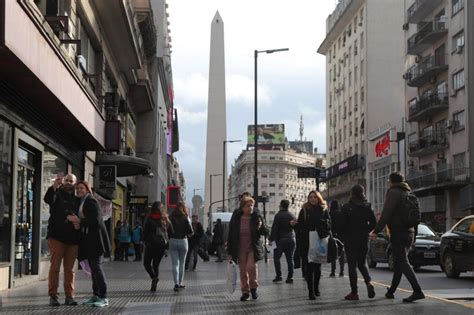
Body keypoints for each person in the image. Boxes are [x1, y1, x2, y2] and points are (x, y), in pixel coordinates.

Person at [370, 172, 425, 303]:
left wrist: (376, 230)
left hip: (399, 232)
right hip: (409, 233)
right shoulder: (408, 193)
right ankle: (391, 291)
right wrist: (414, 236)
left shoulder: (394, 192)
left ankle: (417, 291)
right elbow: (416, 218)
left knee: (402, 262)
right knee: (399, 262)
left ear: (391, 181)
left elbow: (387, 213)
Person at [72, 181, 111, 307]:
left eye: (81, 188)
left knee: (97, 268)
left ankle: (104, 297)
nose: (79, 190)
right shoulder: (83, 201)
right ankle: (96, 295)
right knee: (94, 268)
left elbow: (95, 219)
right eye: (77, 188)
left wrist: (80, 221)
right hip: (89, 241)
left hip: (96, 240)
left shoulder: (91, 201)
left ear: (88, 189)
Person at [43, 173, 80, 306]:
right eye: (67, 180)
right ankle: (53, 296)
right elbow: (47, 199)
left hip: (73, 239)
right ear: (63, 181)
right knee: (55, 268)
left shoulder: (78, 198)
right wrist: (54, 185)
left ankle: (70, 296)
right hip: (56, 237)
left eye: (71, 181)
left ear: (75, 183)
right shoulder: (56, 193)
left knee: (70, 269)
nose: (69, 182)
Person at [337, 185, 376, 301]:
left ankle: (354, 293)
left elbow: (340, 225)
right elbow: (374, 223)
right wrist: (366, 231)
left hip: (350, 240)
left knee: (352, 266)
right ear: (363, 193)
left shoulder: (346, 207)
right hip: (364, 239)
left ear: (352, 194)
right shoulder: (367, 206)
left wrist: (343, 236)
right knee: (362, 263)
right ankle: (368, 282)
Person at [227, 196, 268, 301]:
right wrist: (230, 250)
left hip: (252, 248)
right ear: (242, 207)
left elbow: (266, 231)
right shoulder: (237, 218)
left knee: (251, 267)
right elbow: (231, 234)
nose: (250, 208)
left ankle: (254, 288)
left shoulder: (256, 217)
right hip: (240, 247)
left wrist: (261, 226)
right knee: (243, 270)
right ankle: (245, 292)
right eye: (247, 206)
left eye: (252, 205)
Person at [295, 191, 331, 300]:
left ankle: (316, 288)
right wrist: (293, 225)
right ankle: (311, 291)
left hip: (320, 240)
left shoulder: (323, 209)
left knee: (318, 266)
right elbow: (300, 226)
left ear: (318, 198)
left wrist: (322, 223)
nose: (312, 199)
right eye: (310, 197)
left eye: (314, 197)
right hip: (307, 241)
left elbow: (329, 224)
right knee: (309, 267)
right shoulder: (305, 209)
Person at [143, 201, 173, 292]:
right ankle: (155, 279)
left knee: (146, 263)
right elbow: (171, 232)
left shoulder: (149, 218)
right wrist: (167, 245)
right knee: (156, 265)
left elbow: (145, 232)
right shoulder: (165, 219)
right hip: (161, 246)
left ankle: (154, 278)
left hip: (151, 244)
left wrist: (144, 241)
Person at [269, 199, 296, 284]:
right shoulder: (292, 215)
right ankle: (290, 277)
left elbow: (274, 228)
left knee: (276, 258)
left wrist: (270, 239)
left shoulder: (278, 215)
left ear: (281, 205)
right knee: (290, 259)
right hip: (291, 239)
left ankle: (279, 276)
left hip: (281, 240)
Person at [168, 202, 193, 292]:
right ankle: (180, 283)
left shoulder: (170, 218)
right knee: (182, 264)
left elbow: (167, 230)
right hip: (183, 241)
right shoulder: (186, 218)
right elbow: (190, 231)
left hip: (173, 241)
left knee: (175, 264)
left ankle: (176, 284)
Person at [329, 200, 345, 277]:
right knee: (341, 253)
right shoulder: (341, 214)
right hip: (341, 236)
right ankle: (341, 271)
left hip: (332, 236)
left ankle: (333, 271)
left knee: (333, 253)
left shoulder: (329, 214)